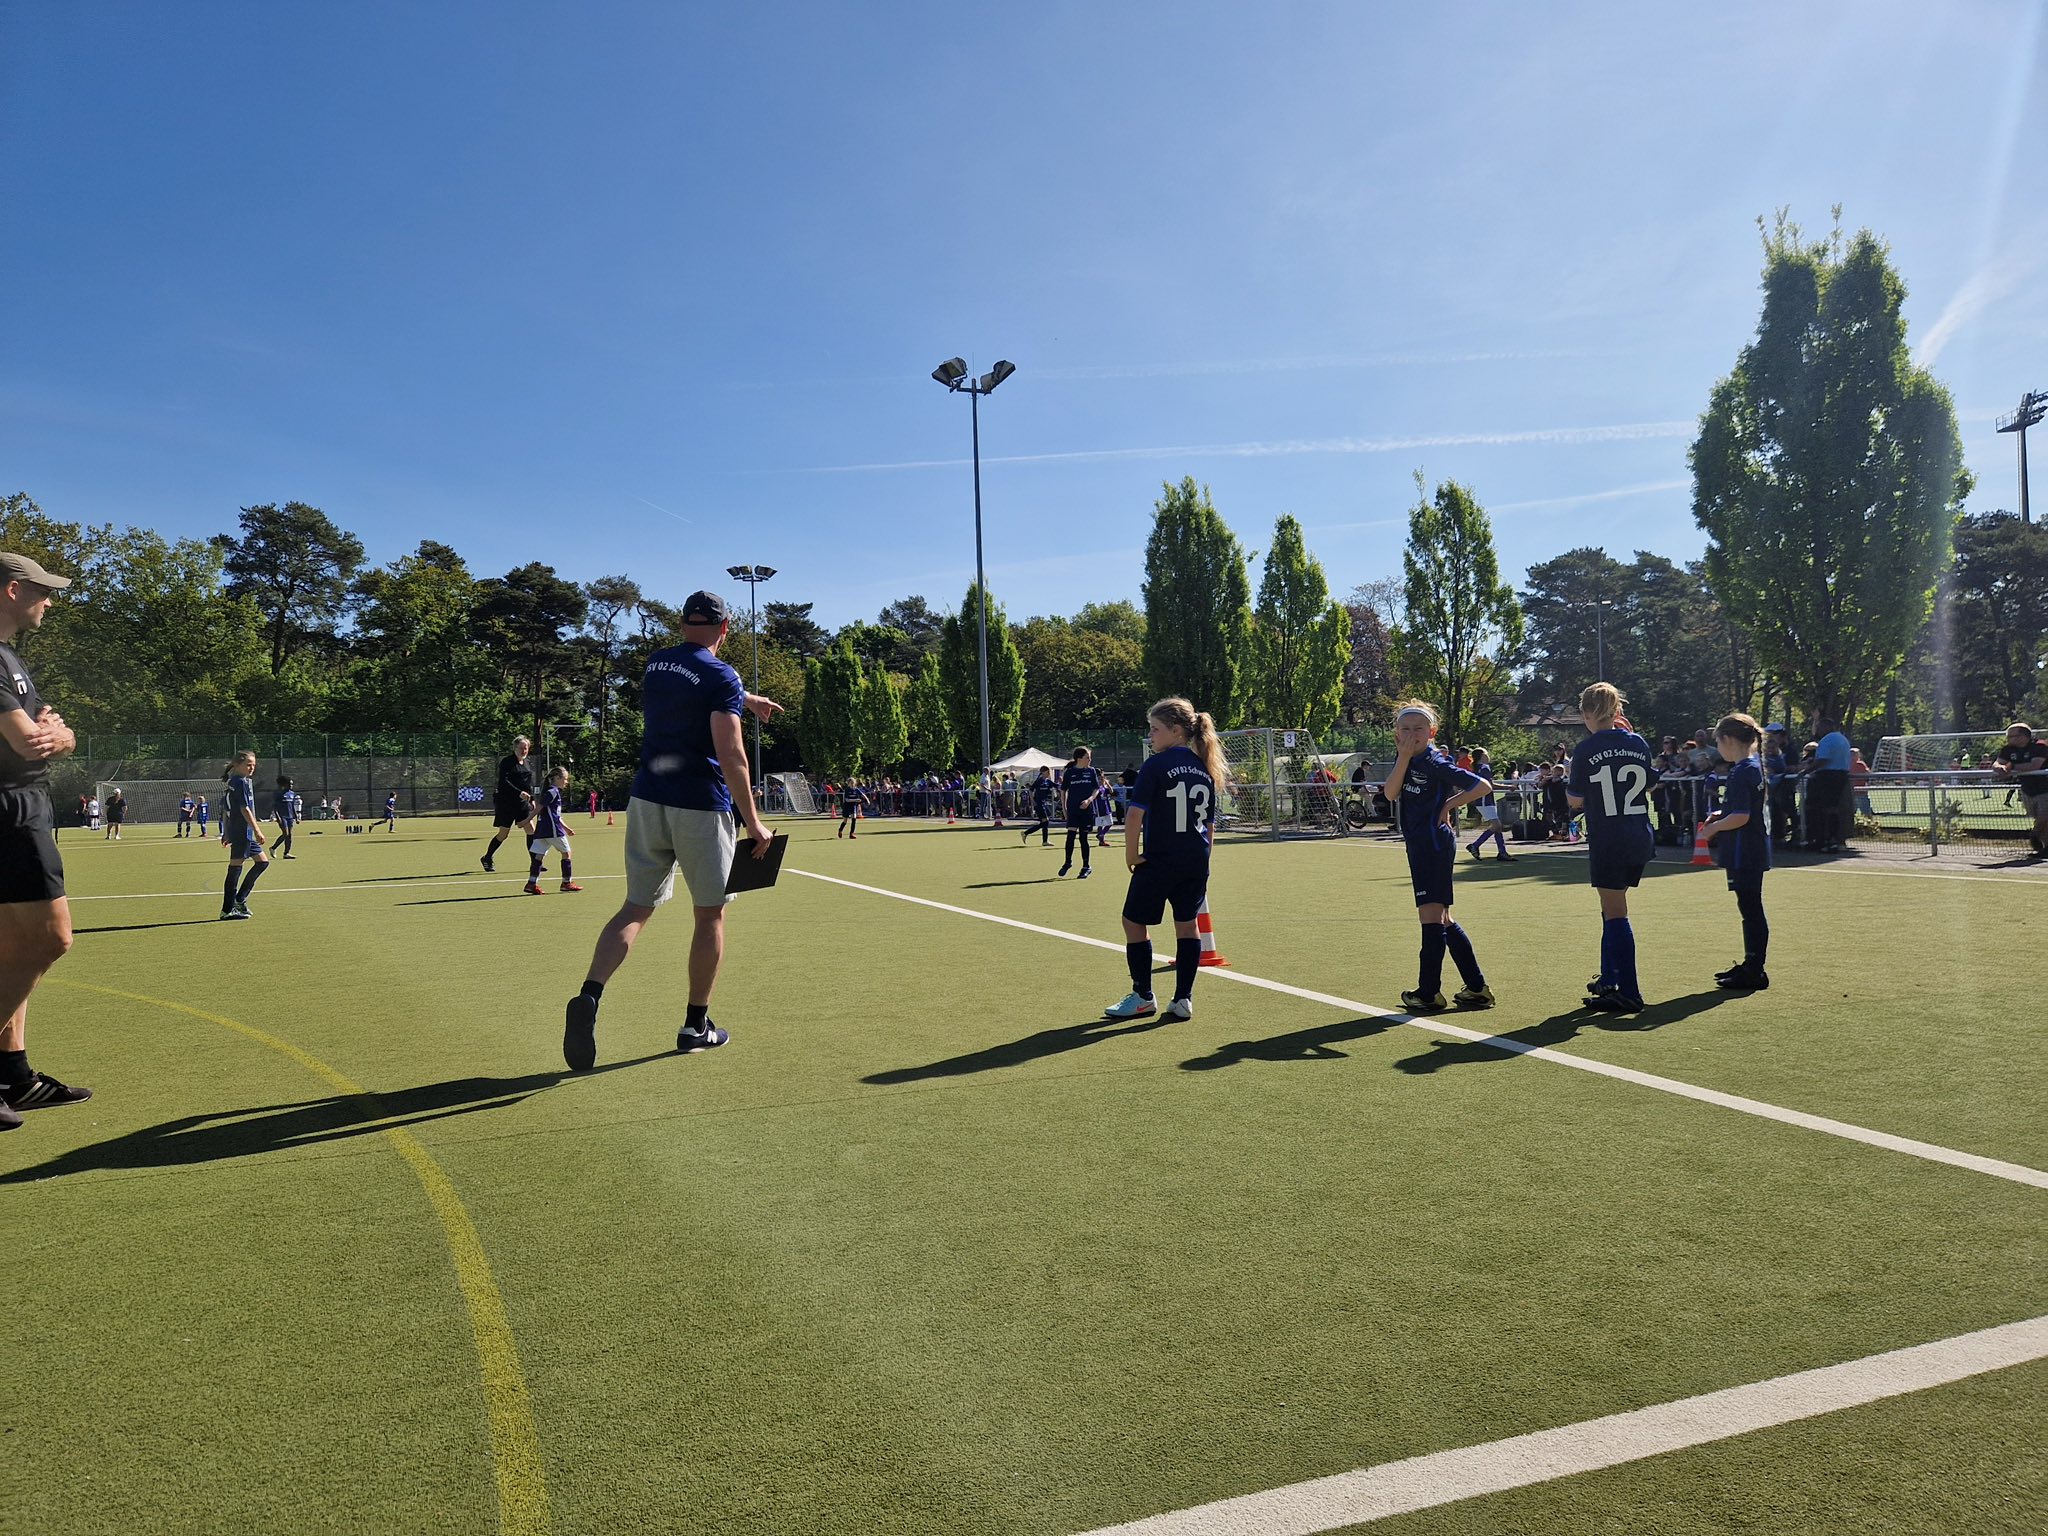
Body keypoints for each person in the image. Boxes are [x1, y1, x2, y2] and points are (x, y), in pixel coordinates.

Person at [563, 590, 778, 1071]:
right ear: (726, 628)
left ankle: (590, 995)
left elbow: (692, 687)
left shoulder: (657, 664)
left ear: (683, 624)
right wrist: (753, 821)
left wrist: (746, 699)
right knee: (710, 915)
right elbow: (731, 753)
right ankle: (695, 1026)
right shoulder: (722, 675)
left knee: (635, 908)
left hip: (646, 800)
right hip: (699, 805)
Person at [0, 550, 90, 1128]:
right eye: (41, 590)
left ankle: (13, 1077)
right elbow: (31, 741)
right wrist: (51, 735)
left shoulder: (11, 659)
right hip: (10, 811)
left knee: (11, 951)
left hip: (19, 806)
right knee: (52, 939)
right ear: (12, 590)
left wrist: (60, 734)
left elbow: (56, 735)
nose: (49, 601)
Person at [1104, 698, 1226, 1022]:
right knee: (1187, 925)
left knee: (1133, 922)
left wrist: (1132, 854)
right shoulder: (1204, 767)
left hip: (1160, 859)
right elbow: (1209, 826)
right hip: (1196, 860)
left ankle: (1143, 995)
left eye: (1155, 729)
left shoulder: (1156, 765)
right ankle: (1183, 998)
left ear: (1176, 730)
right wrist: (1204, 860)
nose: (1150, 735)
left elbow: (1134, 815)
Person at [1386, 701, 1495, 1013]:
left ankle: (1428, 993)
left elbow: (1482, 785)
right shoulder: (1407, 757)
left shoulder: (1435, 762)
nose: (1412, 734)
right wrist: (1403, 757)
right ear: (1397, 734)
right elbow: (1390, 793)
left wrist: (1448, 805)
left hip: (1433, 846)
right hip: (1419, 844)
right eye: (1405, 729)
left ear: (1431, 732)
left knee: (1431, 919)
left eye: (1419, 729)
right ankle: (1477, 989)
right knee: (1444, 920)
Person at [1565, 683, 1657, 1013]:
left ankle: (1629, 991)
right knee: (1610, 907)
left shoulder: (1586, 749)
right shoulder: (1637, 742)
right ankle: (1609, 977)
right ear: (1618, 711)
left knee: (1615, 911)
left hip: (1610, 837)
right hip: (1639, 834)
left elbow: (1575, 800)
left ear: (1586, 714)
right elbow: (1650, 783)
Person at [1700, 713, 1771, 990]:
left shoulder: (1743, 770)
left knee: (1751, 908)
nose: (1717, 748)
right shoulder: (1750, 766)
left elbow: (1742, 817)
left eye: (1718, 742)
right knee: (1749, 907)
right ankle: (1751, 964)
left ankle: (1755, 969)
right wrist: (1720, 814)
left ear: (1728, 740)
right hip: (1748, 848)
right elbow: (1742, 809)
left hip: (1745, 850)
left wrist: (1712, 830)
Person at [218, 749, 271, 920]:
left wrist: (226, 832)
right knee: (235, 868)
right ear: (237, 765)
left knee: (262, 862)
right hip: (242, 831)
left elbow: (226, 809)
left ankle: (239, 899)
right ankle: (227, 909)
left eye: (253, 765)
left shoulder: (235, 782)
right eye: (248, 764)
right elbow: (244, 809)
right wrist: (257, 830)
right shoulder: (240, 782)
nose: (251, 767)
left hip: (241, 831)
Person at [480, 736, 536, 873]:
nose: (524, 751)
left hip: (522, 804)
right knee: (503, 834)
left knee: (531, 830)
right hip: (506, 803)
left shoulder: (527, 763)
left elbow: (528, 784)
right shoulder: (507, 762)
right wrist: (519, 792)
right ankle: (487, 858)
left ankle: (535, 863)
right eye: (521, 748)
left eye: (526, 748)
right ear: (515, 748)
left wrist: (532, 799)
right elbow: (503, 782)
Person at [1990, 724, 2048, 856]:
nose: (2008, 739)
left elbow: (2035, 765)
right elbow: (1997, 763)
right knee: (2040, 819)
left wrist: (2010, 767)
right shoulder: (2008, 749)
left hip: (2045, 788)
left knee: (2044, 817)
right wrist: (1999, 767)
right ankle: (2045, 848)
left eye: (2011, 736)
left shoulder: (2039, 746)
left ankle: (2034, 834)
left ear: (2022, 737)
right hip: (2028, 789)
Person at [526, 765, 581, 894]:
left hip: (542, 830)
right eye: (565, 779)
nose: (566, 782)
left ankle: (531, 883)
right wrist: (527, 819)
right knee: (566, 853)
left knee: (538, 856)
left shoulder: (551, 791)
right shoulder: (552, 792)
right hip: (553, 829)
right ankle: (566, 883)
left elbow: (555, 815)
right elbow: (539, 807)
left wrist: (567, 828)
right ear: (557, 778)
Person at [1807, 719, 1852, 852]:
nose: (1818, 731)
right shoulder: (1843, 739)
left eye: (1819, 727)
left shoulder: (1827, 739)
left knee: (1821, 808)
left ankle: (1823, 839)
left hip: (1828, 775)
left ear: (1826, 727)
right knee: (1833, 808)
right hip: (1841, 775)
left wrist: (1807, 770)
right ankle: (1833, 839)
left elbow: (1823, 760)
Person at [1057, 747, 1103, 879]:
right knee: (1070, 836)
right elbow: (1063, 791)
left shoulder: (1091, 771)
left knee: (1083, 838)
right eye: (1087, 757)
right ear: (1079, 758)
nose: (1090, 759)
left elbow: (1096, 789)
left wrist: (1089, 800)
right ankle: (1067, 862)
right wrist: (1065, 809)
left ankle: (1086, 867)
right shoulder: (1070, 772)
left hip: (1087, 810)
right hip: (1073, 809)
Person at [1463, 748, 1514, 861]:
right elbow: (1490, 786)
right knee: (1496, 826)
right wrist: (1508, 787)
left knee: (1497, 827)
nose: (1488, 756)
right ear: (1482, 755)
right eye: (1486, 754)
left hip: (1484, 800)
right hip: (1484, 800)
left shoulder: (1479, 768)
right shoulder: (1484, 768)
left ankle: (1502, 852)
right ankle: (1475, 845)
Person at [1021, 766, 1056, 846]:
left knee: (1044, 822)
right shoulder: (1039, 781)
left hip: (1043, 803)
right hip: (1039, 804)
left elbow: (1057, 785)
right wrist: (1032, 801)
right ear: (1043, 772)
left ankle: (1026, 833)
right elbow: (1031, 790)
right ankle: (1044, 841)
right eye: (1047, 772)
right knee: (1045, 821)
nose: (1049, 773)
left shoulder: (1048, 781)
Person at [273, 775, 302, 858]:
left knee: (289, 835)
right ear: (285, 784)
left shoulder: (292, 794)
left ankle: (286, 853)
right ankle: (273, 848)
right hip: (283, 817)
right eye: (289, 784)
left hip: (290, 817)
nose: (291, 785)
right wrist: (278, 817)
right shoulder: (279, 794)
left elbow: (292, 806)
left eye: (292, 784)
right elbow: (275, 807)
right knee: (285, 834)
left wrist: (296, 817)